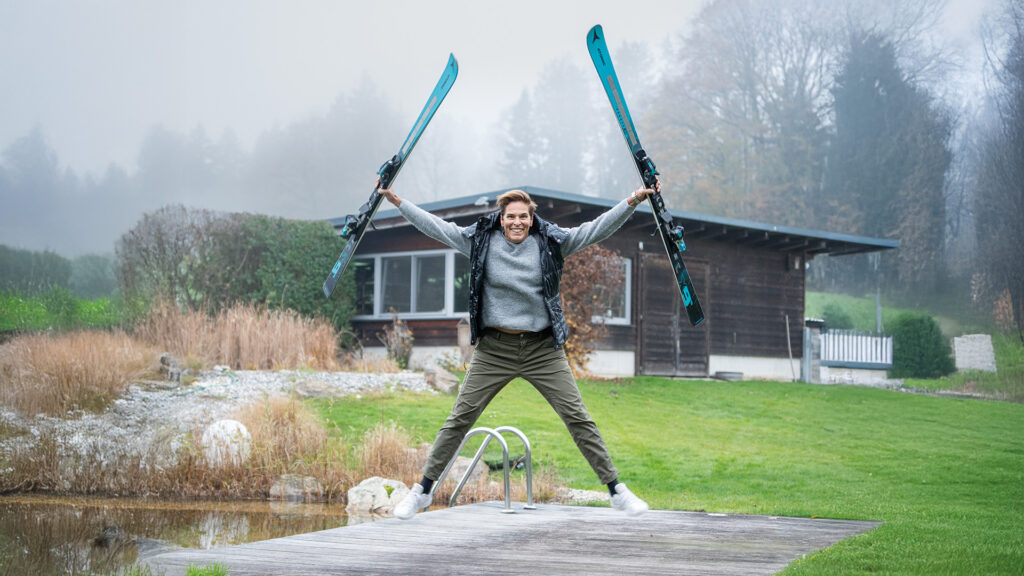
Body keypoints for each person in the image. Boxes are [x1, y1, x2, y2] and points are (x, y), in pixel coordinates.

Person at [383, 181, 657, 520]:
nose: (517, 222)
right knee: (460, 418)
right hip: (494, 350)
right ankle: (422, 490)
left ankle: (616, 491)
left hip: (542, 350)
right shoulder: (481, 241)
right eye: (510, 216)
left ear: (531, 219)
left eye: (523, 217)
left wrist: (633, 200)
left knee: (577, 417)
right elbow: (438, 227)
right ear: (501, 219)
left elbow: (595, 229)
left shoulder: (551, 243)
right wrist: (399, 202)